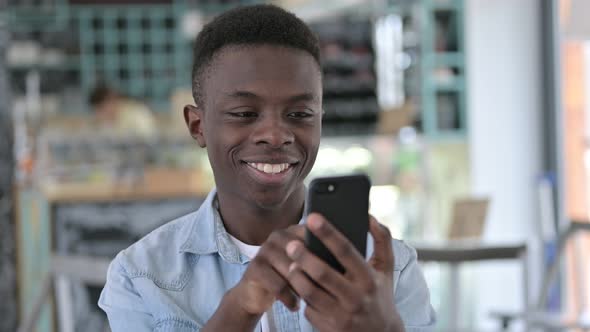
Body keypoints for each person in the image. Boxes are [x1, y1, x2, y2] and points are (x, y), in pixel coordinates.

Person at [98, 4, 435, 331]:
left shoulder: (388, 269)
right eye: (244, 113)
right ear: (198, 126)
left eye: (300, 114)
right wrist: (240, 307)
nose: (275, 136)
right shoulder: (141, 276)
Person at [89, 84, 157, 138]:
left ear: (111, 100)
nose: (99, 114)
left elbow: (148, 138)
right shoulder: (103, 123)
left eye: (101, 109)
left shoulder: (137, 113)